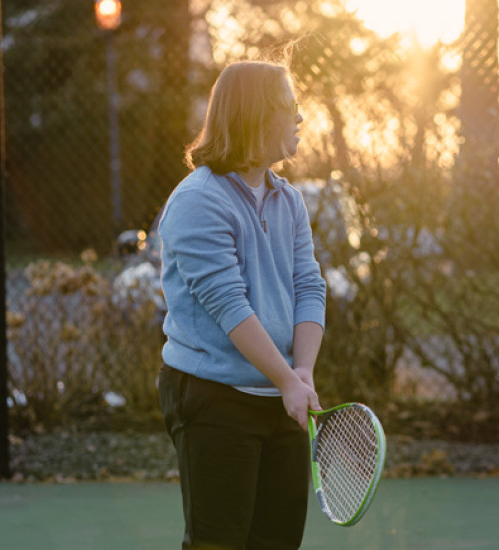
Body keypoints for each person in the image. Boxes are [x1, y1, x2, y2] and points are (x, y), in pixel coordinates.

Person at [157, 60, 327, 550]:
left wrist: (302, 372)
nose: (299, 117)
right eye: (289, 106)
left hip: (281, 396)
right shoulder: (197, 201)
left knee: (276, 541)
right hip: (212, 396)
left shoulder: (288, 199)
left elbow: (309, 286)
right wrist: (285, 379)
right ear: (257, 114)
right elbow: (228, 305)